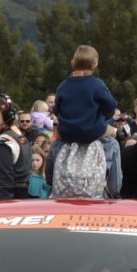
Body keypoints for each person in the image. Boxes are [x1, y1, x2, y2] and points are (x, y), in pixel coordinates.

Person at [48, 46, 120, 199]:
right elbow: (111, 106)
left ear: (72, 63)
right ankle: (115, 190)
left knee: (54, 145)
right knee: (114, 141)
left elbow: (57, 109)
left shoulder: (63, 85)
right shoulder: (97, 84)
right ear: (95, 65)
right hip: (92, 132)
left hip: (66, 134)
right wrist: (103, 117)